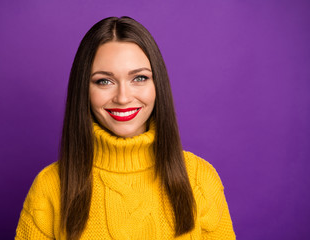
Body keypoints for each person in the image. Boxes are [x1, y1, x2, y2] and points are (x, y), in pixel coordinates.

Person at [15, 16, 235, 240]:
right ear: (84, 89)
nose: (123, 97)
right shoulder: (50, 186)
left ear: (157, 84)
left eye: (139, 78)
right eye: (104, 81)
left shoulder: (200, 179)